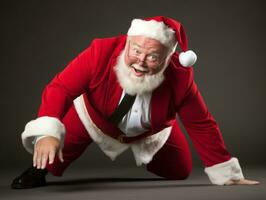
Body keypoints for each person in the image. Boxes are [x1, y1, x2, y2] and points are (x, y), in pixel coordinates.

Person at [11, 16, 259, 189]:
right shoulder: (100, 52)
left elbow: (201, 124)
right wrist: (46, 133)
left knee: (180, 171)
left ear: (167, 59)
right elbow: (61, 88)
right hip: (94, 119)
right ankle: (39, 170)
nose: (141, 61)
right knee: (50, 155)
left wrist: (226, 173)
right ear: (127, 42)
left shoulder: (179, 79)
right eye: (136, 51)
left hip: (150, 131)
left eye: (153, 57)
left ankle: (145, 158)